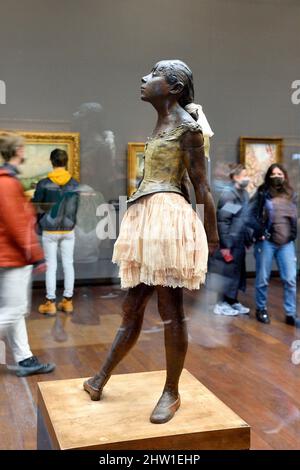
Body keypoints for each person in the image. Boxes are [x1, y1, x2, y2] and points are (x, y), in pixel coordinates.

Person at [83, 60, 219, 424]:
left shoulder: (188, 129)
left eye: (154, 74)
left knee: (170, 310)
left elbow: (202, 186)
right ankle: (99, 379)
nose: (144, 79)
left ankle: (171, 393)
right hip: (148, 218)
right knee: (132, 307)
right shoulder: (163, 125)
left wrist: (212, 237)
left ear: (173, 87)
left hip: (166, 219)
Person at [0, 132, 55, 376]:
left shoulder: (6, 180)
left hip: (8, 255)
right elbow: (18, 225)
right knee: (14, 310)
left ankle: (25, 359)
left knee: (16, 309)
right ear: (18, 151)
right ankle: (25, 359)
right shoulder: (7, 183)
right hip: (13, 257)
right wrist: (36, 254)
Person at [248, 163, 299, 327]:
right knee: (263, 278)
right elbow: (250, 215)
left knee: (290, 279)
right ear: (269, 176)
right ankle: (261, 309)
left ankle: (290, 313)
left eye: (280, 173)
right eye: (274, 173)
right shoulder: (262, 193)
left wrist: (292, 235)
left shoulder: (292, 194)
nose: (277, 176)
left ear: (284, 175)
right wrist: (259, 232)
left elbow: (294, 218)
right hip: (266, 242)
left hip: (286, 243)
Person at [32, 149, 79, 315]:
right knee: (68, 264)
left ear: (52, 162)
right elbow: (75, 207)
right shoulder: (74, 184)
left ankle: (50, 302)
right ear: (65, 162)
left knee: (51, 266)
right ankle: (68, 301)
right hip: (68, 229)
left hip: (49, 230)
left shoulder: (44, 183)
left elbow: (36, 206)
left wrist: (39, 223)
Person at [209, 164, 252, 316]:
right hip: (229, 241)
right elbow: (224, 221)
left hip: (239, 240)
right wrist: (226, 245)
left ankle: (232, 301)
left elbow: (245, 218)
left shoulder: (244, 194)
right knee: (226, 272)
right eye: (244, 175)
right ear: (235, 177)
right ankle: (221, 303)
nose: (247, 178)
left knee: (236, 273)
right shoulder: (229, 195)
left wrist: (247, 240)